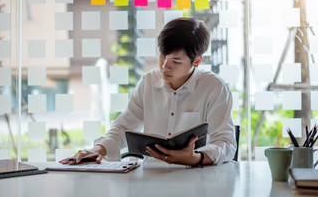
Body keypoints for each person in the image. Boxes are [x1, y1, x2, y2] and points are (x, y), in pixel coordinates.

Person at [60, 17, 236, 167]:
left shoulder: (214, 88)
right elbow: (124, 126)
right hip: (151, 178)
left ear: (196, 61)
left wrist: (196, 158)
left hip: (198, 178)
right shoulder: (149, 82)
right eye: (163, 56)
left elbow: (226, 143)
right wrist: (98, 149)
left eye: (176, 60)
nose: (165, 66)